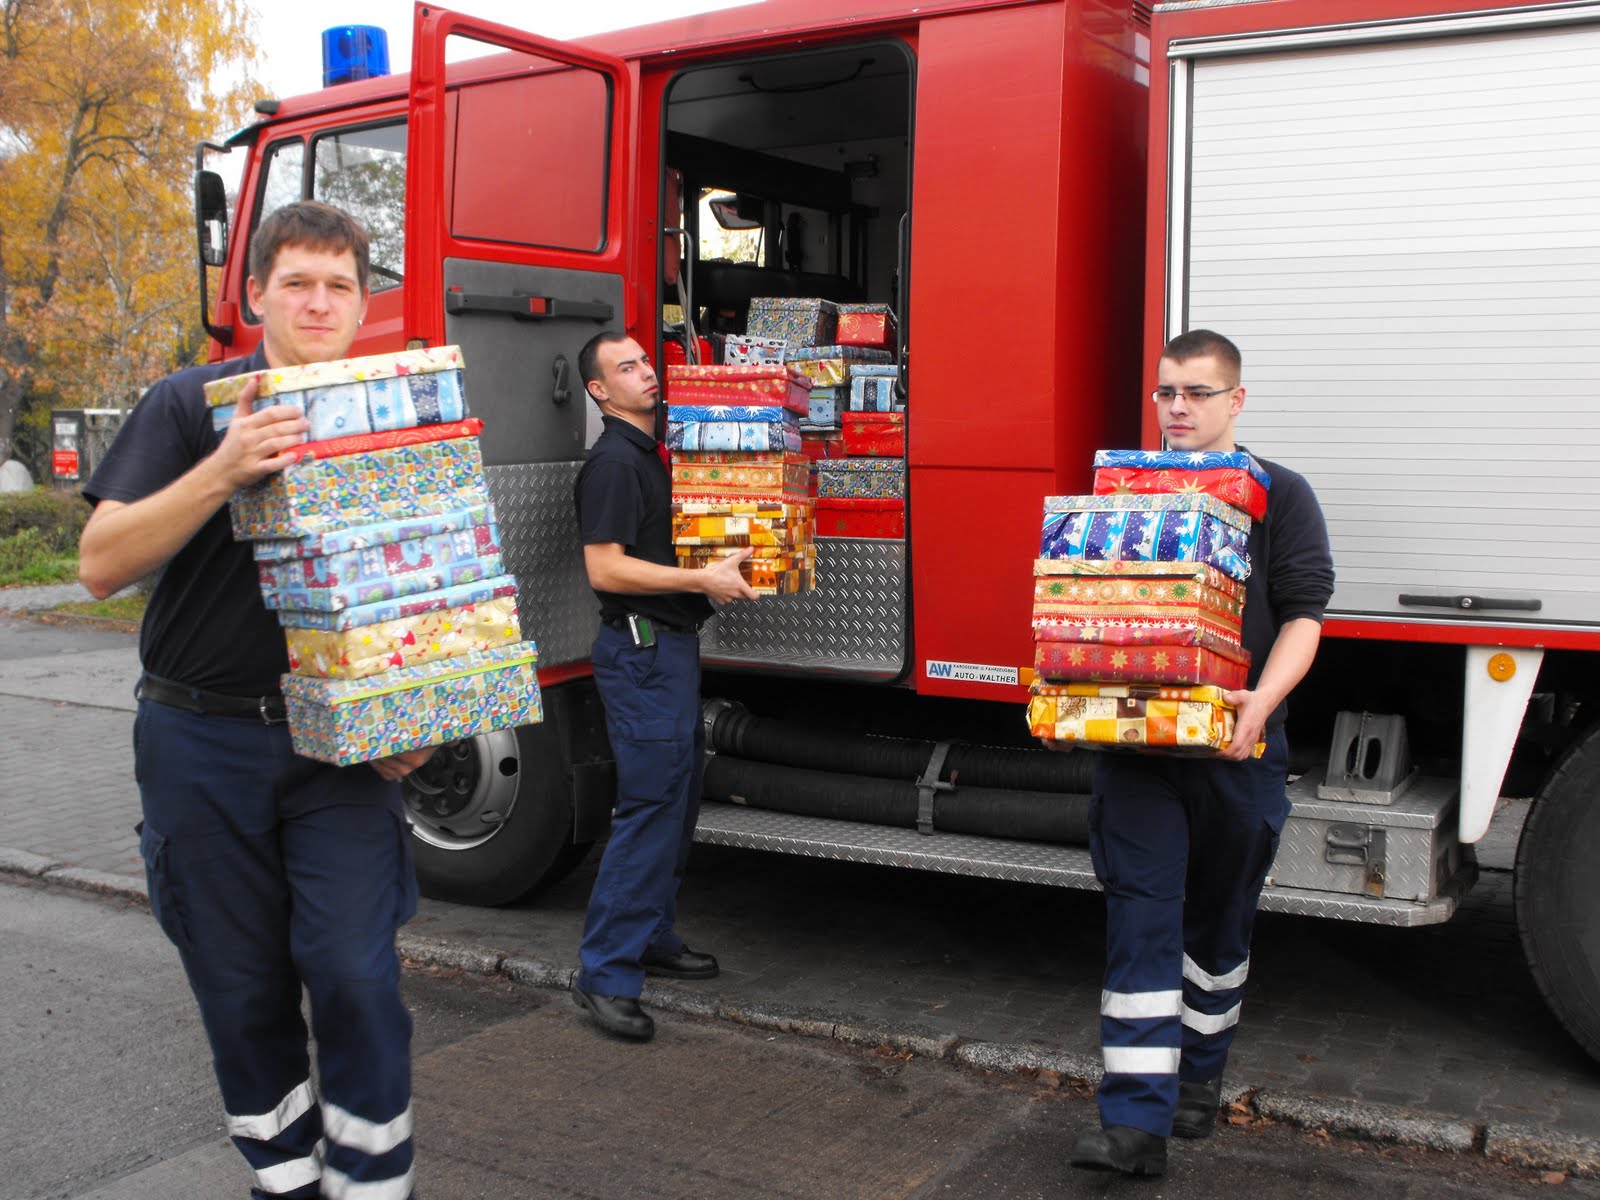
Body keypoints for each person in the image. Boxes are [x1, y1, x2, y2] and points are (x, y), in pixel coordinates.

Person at [79, 200, 429, 1200]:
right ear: (256, 294)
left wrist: (420, 717)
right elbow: (99, 563)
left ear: (366, 305)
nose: (318, 303)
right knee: (242, 990)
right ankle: (284, 1182)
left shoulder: (391, 417)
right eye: (298, 283)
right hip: (200, 740)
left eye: (340, 286)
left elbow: (424, 586)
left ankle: (369, 1185)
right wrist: (224, 469)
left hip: (340, 751)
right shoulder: (189, 404)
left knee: (357, 976)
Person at [1067, 329, 1335, 1177]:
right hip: (1140, 750)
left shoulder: (1280, 496)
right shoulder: (1125, 494)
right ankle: (1133, 1124)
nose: (1177, 409)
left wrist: (1263, 701)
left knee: (1218, 924)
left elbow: (1305, 613)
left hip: (1237, 748)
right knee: (1142, 919)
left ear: (1236, 401)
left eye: (1196, 393)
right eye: (1165, 393)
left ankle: (1197, 1084)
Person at [570, 331, 757, 1041]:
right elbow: (606, 569)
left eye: (645, 361)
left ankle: (649, 935)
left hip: (668, 650)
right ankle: (605, 975)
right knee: (649, 809)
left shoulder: (652, 453)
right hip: (641, 653)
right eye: (626, 368)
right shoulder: (615, 464)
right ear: (599, 391)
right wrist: (699, 581)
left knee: (676, 805)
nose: (645, 373)